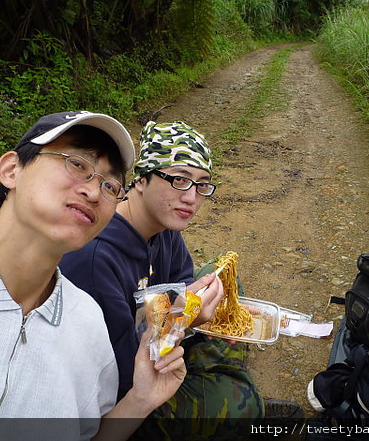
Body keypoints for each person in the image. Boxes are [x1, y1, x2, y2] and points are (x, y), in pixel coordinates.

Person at [0, 111, 188, 441]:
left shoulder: (87, 322)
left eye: (110, 185)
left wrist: (140, 400)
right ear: (12, 170)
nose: (94, 193)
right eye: (77, 164)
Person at [60, 120, 278, 439]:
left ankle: (217, 373)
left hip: (160, 338)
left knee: (220, 276)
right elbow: (125, 378)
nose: (191, 198)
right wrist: (186, 323)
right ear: (141, 180)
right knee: (241, 409)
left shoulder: (164, 229)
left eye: (202, 185)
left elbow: (181, 285)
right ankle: (223, 382)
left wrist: (190, 315)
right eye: (179, 180)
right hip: (128, 388)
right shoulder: (96, 261)